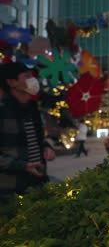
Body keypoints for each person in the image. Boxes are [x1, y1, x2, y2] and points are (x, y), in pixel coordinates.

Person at [0, 62, 55, 202]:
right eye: (27, 76)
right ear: (12, 82)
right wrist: (22, 166)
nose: (33, 79)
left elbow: (36, 139)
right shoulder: (3, 110)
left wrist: (46, 147)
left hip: (38, 184)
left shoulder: (33, 108)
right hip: (10, 189)